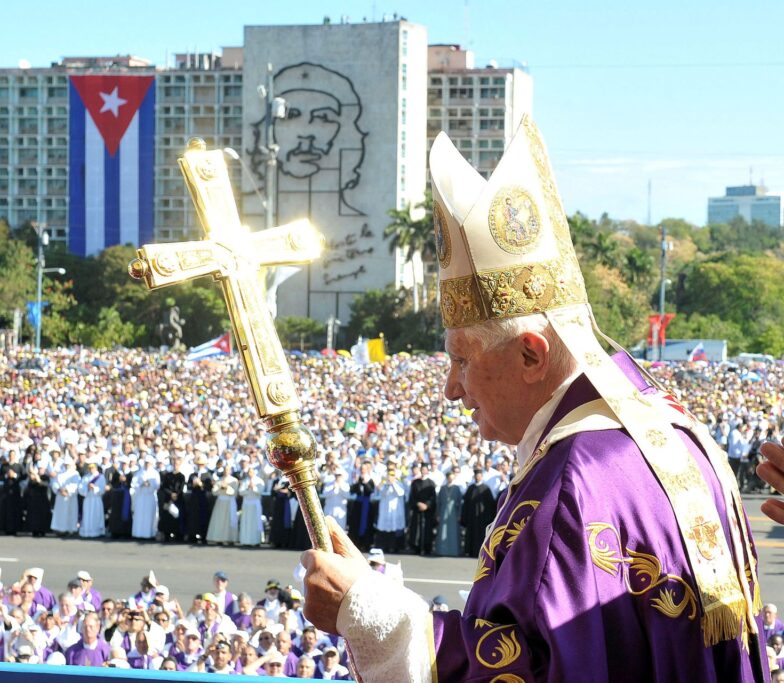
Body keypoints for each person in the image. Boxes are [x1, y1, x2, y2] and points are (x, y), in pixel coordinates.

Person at [299, 116, 764, 682]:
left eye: (463, 359)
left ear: (531, 356)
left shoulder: (574, 480)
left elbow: (540, 671)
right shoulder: (677, 431)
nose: (451, 387)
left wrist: (369, 614)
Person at [459, 467, 495, 557]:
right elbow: (466, 503)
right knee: (470, 533)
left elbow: (490, 505)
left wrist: (488, 518)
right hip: (471, 517)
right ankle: (470, 551)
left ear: (482, 476)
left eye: (479, 475)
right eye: (476, 475)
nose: (477, 477)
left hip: (482, 518)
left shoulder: (486, 489)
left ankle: (480, 552)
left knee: (480, 535)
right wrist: (464, 516)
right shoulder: (470, 488)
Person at [433, 468, 463, 557]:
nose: (450, 479)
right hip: (443, 512)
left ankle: (454, 551)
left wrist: (459, 514)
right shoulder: (442, 488)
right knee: (443, 531)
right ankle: (442, 551)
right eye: (449, 478)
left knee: (453, 532)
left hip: (453, 513)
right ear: (447, 478)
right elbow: (438, 502)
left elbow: (460, 503)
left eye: (452, 478)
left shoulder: (457, 488)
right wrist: (437, 514)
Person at [131, 457, 160, 540]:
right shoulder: (139, 473)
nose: (147, 464)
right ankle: (138, 533)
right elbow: (134, 484)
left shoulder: (155, 473)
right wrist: (141, 484)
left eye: (149, 463)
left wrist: (149, 484)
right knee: (139, 515)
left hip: (150, 497)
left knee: (149, 515)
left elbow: (157, 485)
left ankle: (149, 534)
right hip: (140, 497)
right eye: (146, 463)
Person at [207, 470, 239, 545]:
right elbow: (214, 492)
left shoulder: (234, 480)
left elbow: (235, 492)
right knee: (219, 520)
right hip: (220, 502)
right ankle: (218, 538)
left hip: (229, 503)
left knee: (229, 521)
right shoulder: (219, 480)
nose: (226, 472)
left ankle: (230, 538)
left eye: (228, 470)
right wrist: (220, 488)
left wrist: (227, 487)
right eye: (225, 470)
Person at [78, 462, 107, 538]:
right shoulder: (85, 477)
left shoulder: (101, 477)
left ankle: (97, 532)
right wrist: (87, 488)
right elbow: (80, 488)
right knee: (87, 515)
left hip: (96, 499)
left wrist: (94, 487)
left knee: (96, 515)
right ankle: (87, 531)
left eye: (93, 467)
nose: (91, 469)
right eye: (90, 468)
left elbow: (102, 490)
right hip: (88, 499)